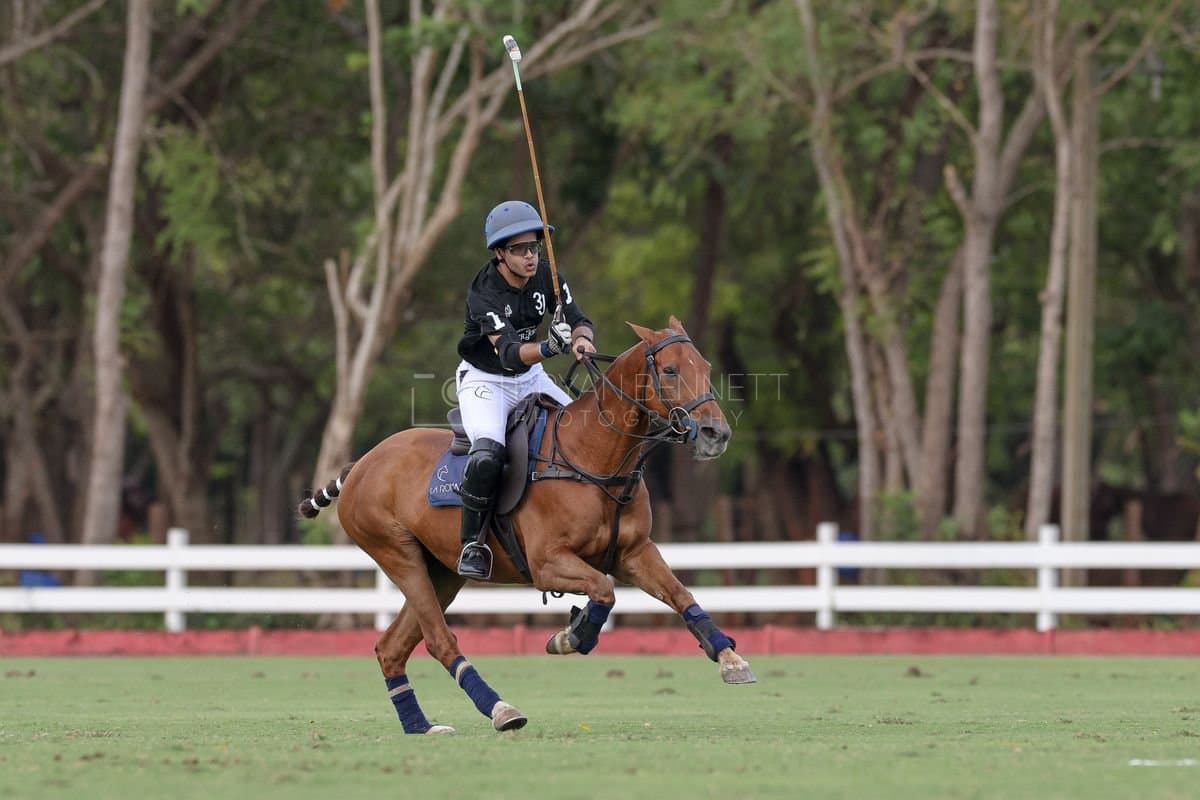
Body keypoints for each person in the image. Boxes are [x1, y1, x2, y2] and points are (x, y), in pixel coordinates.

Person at [453, 200, 597, 579]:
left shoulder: (547, 276)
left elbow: (579, 318)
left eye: (533, 247)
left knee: (588, 431)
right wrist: (550, 347)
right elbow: (511, 353)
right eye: (519, 250)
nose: (530, 256)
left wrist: (581, 340)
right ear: (500, 254)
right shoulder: (483, 292)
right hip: (487, 380)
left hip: (531, 379)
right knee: (486, 455)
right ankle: (472, 543)